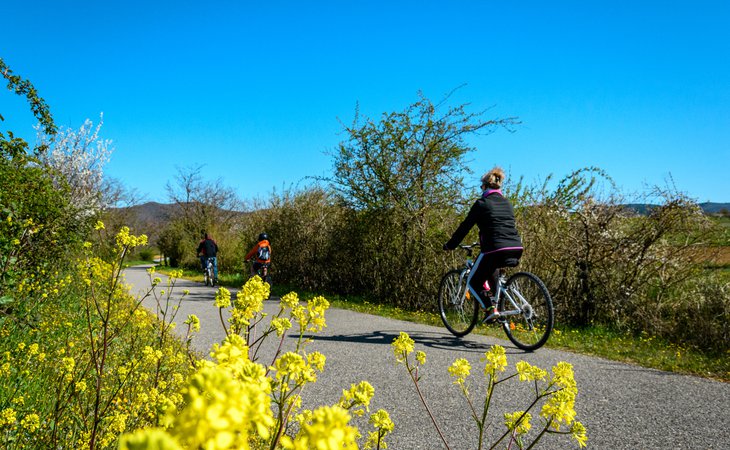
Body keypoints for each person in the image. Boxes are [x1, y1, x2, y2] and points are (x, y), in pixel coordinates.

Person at [443, 166, 523, 322]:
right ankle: (498, 308)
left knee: (473, 281)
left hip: (494, 248)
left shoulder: (482, 203)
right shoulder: (508, 203)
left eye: (481, 187)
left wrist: (451, 244)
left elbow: (465, 226)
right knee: (491, 271)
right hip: (516, 246)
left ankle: (490, 308)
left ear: (485, 186)